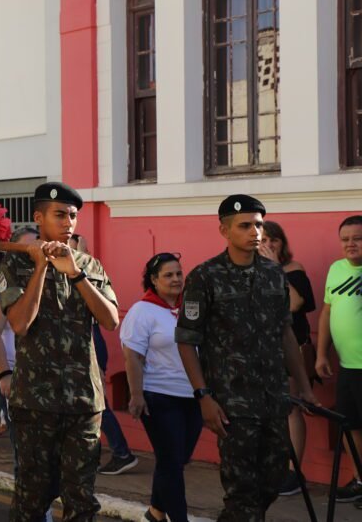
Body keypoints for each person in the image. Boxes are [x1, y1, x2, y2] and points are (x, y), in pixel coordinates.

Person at [175, 195, 317, 521]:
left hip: (273, 397)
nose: (254, 232)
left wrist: (304, 388)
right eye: (245, 225)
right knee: (242, 493)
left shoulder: (273, 274)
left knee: (272, 481)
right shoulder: (205, 276)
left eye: (258, 225)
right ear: (224, 230)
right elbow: (186, 340)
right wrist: (203, 395)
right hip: (231, 404)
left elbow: (286, 334)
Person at [0, 182, 119, 521]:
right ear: (39, 218)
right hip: (36, 402)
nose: (69, 223)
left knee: (82, 501)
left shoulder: (89, 266)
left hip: (83, 401)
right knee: (32, 500)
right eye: (60, 215)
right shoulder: (16, 263)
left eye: (73, 216)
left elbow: (110, 321)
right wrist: (41, 268)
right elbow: (20, 323)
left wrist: (76, 275)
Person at [121, 252, 202, 522]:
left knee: (178, 459)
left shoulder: (191, 306)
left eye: (179, 273)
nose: (176, 279)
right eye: (168, 275)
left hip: (193, 396)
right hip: (159, 397)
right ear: (154, 280)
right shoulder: (142, 311)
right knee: (170, 462)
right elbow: (132, 355)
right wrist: (136, 395)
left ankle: (156, 511)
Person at [0, 227, 57, 521]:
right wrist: (4, 374)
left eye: (36, 247)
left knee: (54, 457)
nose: (33, 253)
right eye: (25, 250)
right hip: (19, 382)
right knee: (28, 459)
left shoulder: (50, 279)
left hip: (52, 382)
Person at [69, 234, 137, 477]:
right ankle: (98, 455)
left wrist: (81, 253)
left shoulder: (85, 273)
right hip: (88, 342)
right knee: (89, 405)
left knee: (98, 405)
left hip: (91, 342)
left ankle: (121, 452)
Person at [259, 220, 318, 496]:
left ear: (283, 244)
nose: (269, 245)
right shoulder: (250, 272)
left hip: (291, 348)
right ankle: (275, 465)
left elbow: (294, 304)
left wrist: (274, 270)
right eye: (263, 240)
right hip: (263, 350)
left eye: (274, 240)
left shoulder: (294, 271)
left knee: (292, 408)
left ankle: (295, 472)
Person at [316, 215, 362, 502]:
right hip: (347, 366)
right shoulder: (336, 270)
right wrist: (321, 353)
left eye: (357, 238)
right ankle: (360, 479)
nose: (350, 244)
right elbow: (327, 312)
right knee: (351, 424)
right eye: (345, 239)